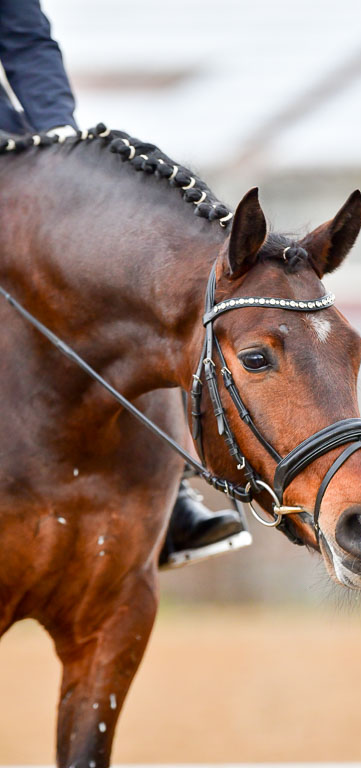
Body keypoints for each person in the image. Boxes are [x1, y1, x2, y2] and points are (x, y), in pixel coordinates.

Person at [0, 0, 246, 566]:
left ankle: (172, 490)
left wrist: (58, 136)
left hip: (10, 157)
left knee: (117, 292)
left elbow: (26, 38)